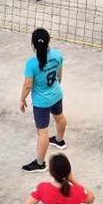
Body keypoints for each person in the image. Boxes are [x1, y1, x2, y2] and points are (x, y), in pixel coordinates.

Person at [19, 28, 66, 173]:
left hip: (41, 103)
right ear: (48, 42)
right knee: (59, 117)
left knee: (43, 132)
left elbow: (28, 85)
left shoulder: (31, 64)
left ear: (33, 45)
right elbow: (59, 76)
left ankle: (40, 164)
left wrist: (22, 99)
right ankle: (59, 140)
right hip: (56, 94)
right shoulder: (57, 55)